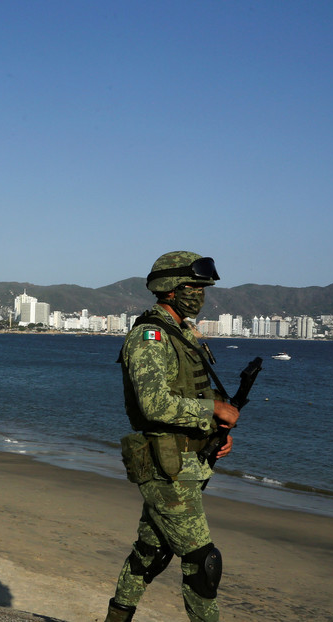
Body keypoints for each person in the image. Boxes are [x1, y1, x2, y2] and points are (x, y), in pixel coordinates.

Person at [103, 251, 240, 622]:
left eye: (202, 288)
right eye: (192, 286)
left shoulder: (183, 333)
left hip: (187, 463)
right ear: (169, 289)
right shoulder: (150, 336)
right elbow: (154, 406)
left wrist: (216, 430)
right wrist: (212, 412)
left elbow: (193, 393)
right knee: (202, 562)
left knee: (150, 553)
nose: (200, 294)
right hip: (167, 467)